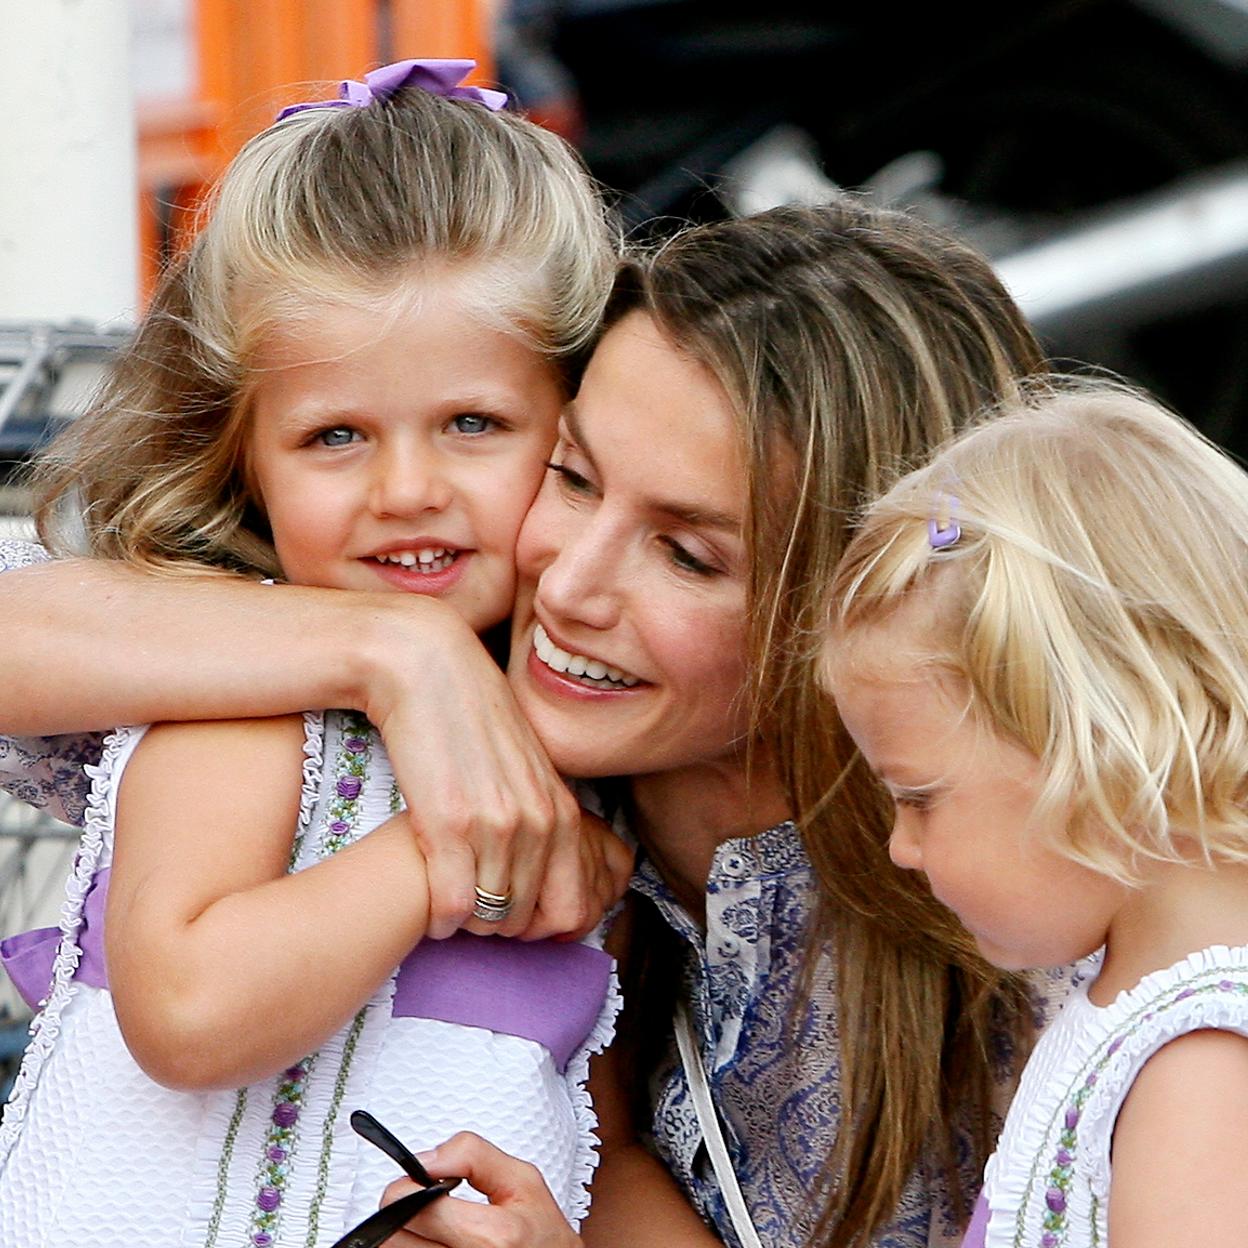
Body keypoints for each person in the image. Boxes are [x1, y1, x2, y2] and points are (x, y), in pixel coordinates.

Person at [0, 199, 1052, 1247]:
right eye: (574, 477)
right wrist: (395, 652)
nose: (571, 583)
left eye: (687, 555)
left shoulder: (1018, 930)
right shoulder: (416, 689)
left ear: (860, 610)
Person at [0, 60, 637, 1248]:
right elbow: (187, 1013)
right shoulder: (251, 708)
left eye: (474, 425)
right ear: (246, 458)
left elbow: (593, 1122)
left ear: (578, 425)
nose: (409, 491)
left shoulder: (593, 741)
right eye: (336, 435)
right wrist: (438, 849)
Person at [824, 380, 1248, 1247]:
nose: (901, 848)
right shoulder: (1126, 1017)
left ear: (1092, 745)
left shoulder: (1204, 1065)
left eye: (916, 797)